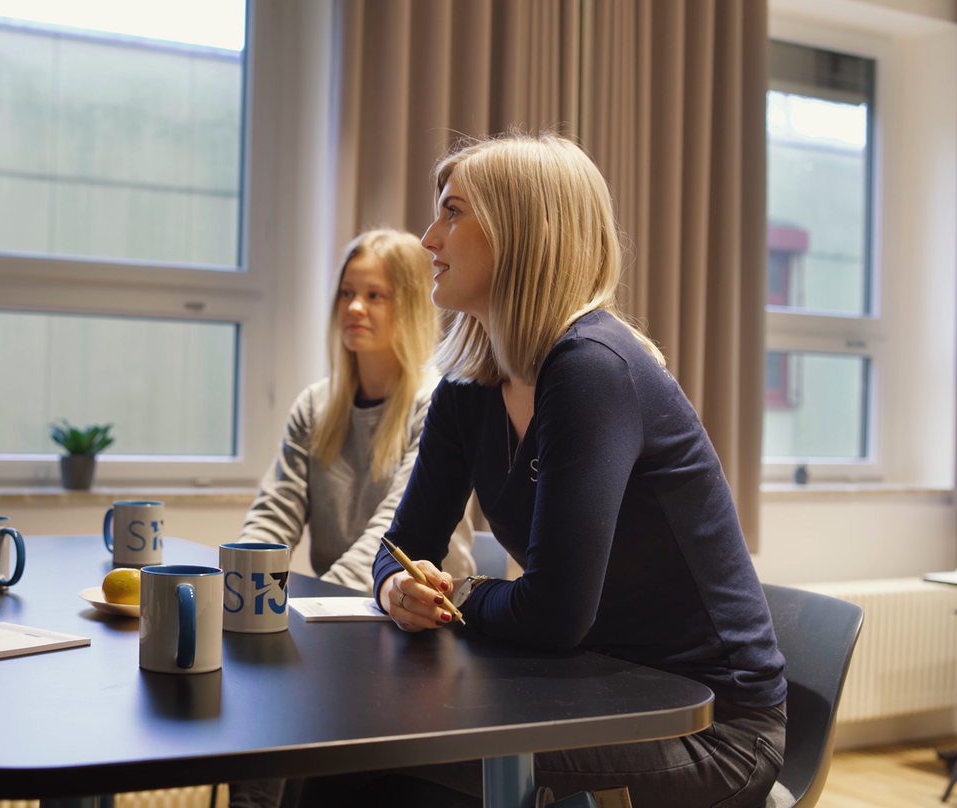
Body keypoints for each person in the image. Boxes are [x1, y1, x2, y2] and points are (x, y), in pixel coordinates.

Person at [314, 134, 788, 807]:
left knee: (390, 784)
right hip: (591, 689)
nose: (428, 238)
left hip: (707, 727)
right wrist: (398, 591)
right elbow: (402, 550)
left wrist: (460, 594)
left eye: (453, 213)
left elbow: (554, 614)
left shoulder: (593, 368)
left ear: (521, 234)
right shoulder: (467, 387)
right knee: (345, 760)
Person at [237, 229, 475, 591]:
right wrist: (241, 582)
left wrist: (312, 604)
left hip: (421, 609)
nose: (354, 307)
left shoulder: (436, 404)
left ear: (409, 304)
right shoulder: (315, 405)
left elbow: (393, 535)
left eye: (374, 295)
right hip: (336, 609)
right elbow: (274, 515)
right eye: (346, 293)